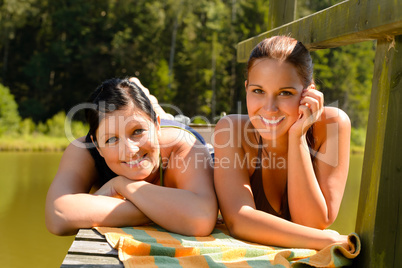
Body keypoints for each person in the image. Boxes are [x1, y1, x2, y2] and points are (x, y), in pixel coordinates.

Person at [213, 36, 351, 250]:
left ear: (310, 93)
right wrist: (330, 240)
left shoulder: (332, 125)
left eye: (285, 93)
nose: (269, 108)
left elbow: (312, 223)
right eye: (258, 91)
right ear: (247, 88)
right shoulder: (230, 130)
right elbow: (238, 221)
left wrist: (298, 136)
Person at [45, 78, 217, 236]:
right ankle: (143, 100)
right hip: (150, 123)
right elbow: (58, 215)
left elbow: (201, 218)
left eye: (137, 132)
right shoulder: (84, 151)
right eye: (111, 139)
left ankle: (148, 100)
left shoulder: (182, 145)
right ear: (97, 146)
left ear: (156, 127)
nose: (130, 150)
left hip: (168, 131)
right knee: (143, 111)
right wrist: (167, 210)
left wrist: (124, 186)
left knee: (160, 115)